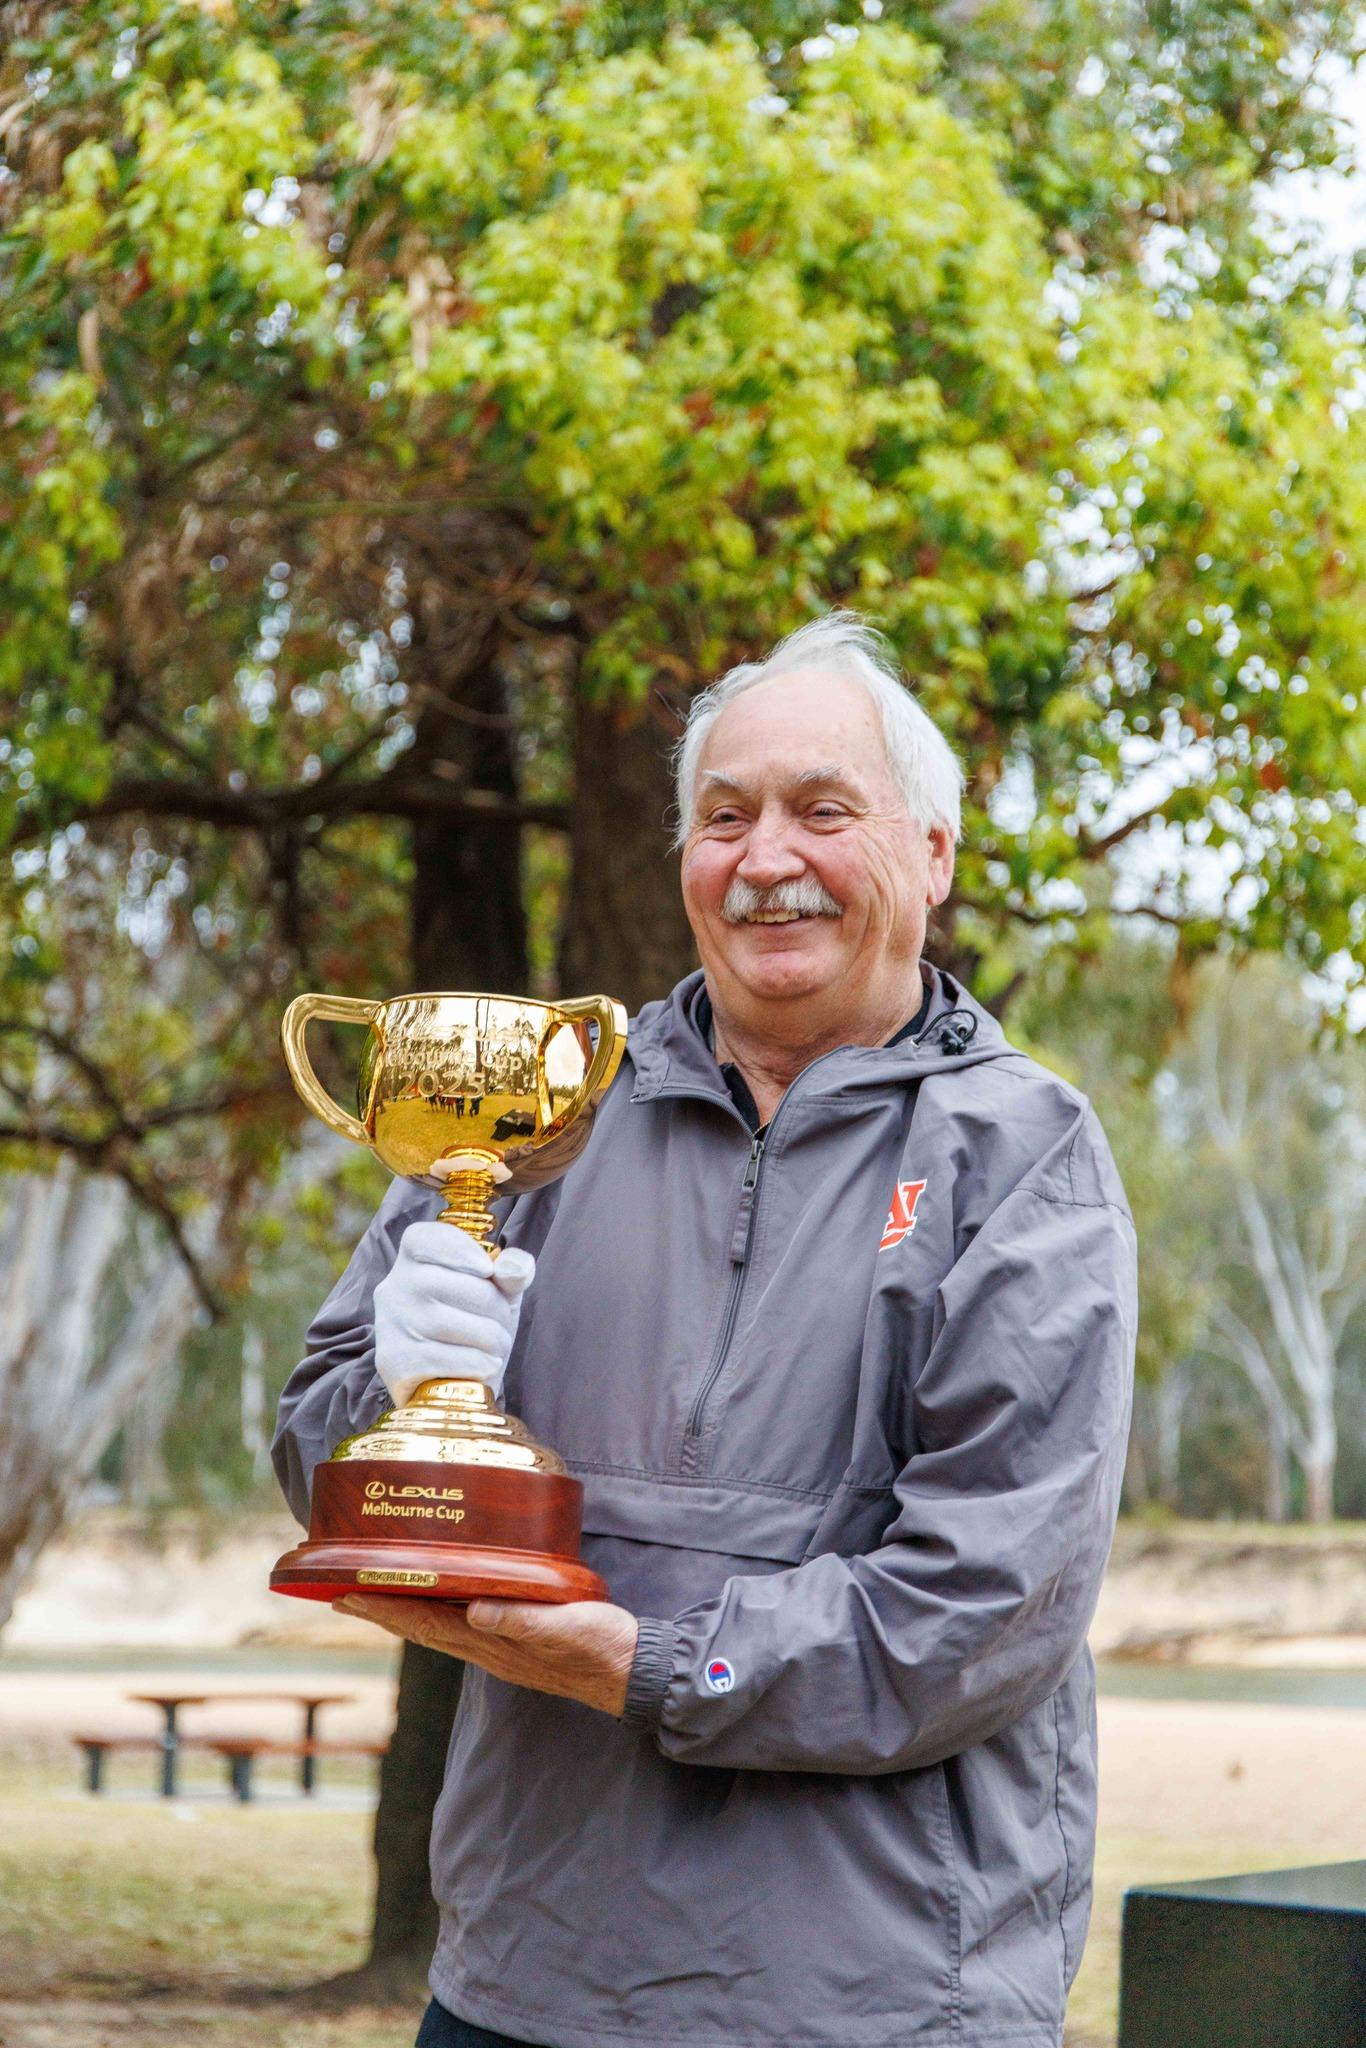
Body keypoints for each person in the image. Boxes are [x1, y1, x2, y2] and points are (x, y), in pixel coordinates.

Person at [274, 612, 1136, 2048]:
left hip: (873, 2000)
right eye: (723, 818)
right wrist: (390, 1386)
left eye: (823, 811)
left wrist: (642, 1662)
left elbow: (980, 1607)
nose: (765, 858)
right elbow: (323, 1471)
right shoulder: (538, 1111)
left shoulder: (1022, 1156)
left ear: (931, 854)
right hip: (524, 1985)